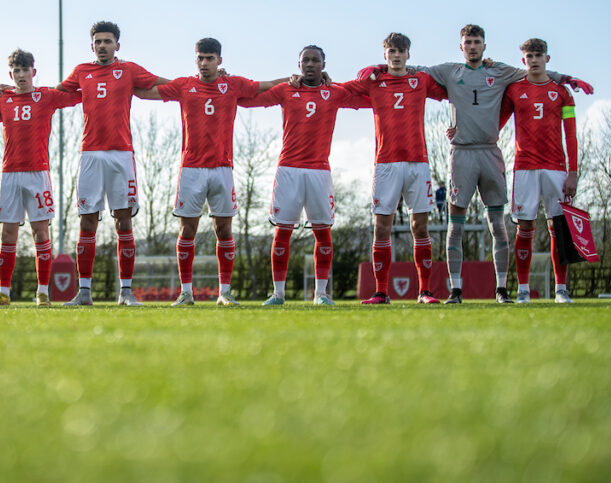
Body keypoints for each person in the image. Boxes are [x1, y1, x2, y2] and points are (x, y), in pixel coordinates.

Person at [403, 24, 590, 304]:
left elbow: (536, 73)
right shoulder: (450, 71)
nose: (473, 46)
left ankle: (504, 289)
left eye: (477, 42)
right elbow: (416, 69)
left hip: (492, 154)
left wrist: (568, 78)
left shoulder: (502, 72)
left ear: (485, 46)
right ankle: (456, 290)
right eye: (468, 42)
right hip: (462, 153)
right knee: (456, 224)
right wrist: (381, 68)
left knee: (499, 225)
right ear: (461, 46)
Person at [135, 38, 278, 307]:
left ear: (219, 60)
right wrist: (126, 84)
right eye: (200, 57)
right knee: (187, 229)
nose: (204, 63)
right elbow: (147, 91)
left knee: (224, 229)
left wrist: (295, 79)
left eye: (209, 58)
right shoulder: (185, 85)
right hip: (191, 169)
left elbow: (267, 85)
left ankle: (224, 291)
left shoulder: (232, 85)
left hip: (222, 169)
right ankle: (186, 292)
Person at [239, 45, 367, 305]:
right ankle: (278, 294)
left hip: (319, 170)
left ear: (323, 64)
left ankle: (321, 294)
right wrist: (224, 82)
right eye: (305, 60)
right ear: (298, 65)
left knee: (323, 232)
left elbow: (366, 94)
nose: (310, 64)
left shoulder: (335, 92)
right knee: (282, 231)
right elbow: (248, 99)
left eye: (315, 60)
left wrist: (374, 72)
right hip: (288, 169)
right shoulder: (287, 90)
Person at [58, 21, 168, 306]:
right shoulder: (82, 72)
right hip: (90, 155)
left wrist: (202, 82)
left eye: (108, 41)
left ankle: (126, 292)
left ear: (117, 45)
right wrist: (16, 91)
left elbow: (164, 85)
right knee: (87, 221)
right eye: (98, 41)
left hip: (122, 155)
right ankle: (84, 293)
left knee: (123, 221)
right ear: (91, 45)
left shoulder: (129, 70)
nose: (103, 46)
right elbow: (53, 95)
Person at [347, 33, 447, 304]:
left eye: (401, 51)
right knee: (381, 228)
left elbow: (454, 91)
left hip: (418, 163)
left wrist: (457, 122)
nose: (397, 55)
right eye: (392, 51)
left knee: (420, 227)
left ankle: (425, 291)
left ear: (408, 54)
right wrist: (367, 72)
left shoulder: (421, 80)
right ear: (385, 54)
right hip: (386, 164)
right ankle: (381, 292)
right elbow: (345, 89)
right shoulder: (375, 82)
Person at [0, 50, 81, 307]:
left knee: (40, 232)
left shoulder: (46, 96)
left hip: (38, 174)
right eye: (16, 71)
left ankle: (43, 292)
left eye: (25, 70)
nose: (21, 75)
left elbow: (78, 96)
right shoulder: (3, 100)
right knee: (8, 234)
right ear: (10, 74)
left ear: (33, 72)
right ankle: (3, 294)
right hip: (10, 174)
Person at [501, 39, 578, 304]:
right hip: (524, 169)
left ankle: (561, 289)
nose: (533, 60)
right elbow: (496, 124)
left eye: (538, 55)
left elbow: (571, 136)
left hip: (556, 169)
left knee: (559, 228)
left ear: (547, 58)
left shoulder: (562, 93)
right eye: (529, 56)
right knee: (525, 227)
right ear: (523, 61)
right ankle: (523, 290)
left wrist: (573, 171)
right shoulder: (513, 90)